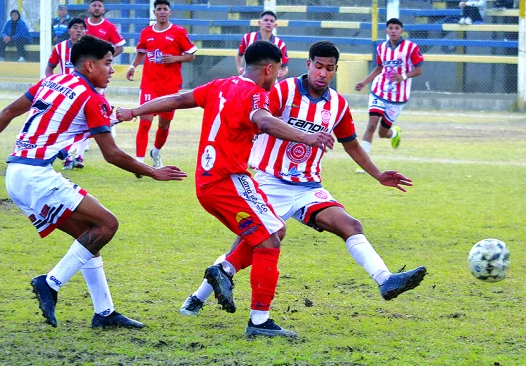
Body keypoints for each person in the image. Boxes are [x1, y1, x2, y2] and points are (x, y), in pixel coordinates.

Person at [0, 35, 187, 329]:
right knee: (107, 225)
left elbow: (10, 111)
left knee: (89, 237)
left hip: (17, 174)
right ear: (89, 65)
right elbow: (111, 154)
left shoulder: (53, 82)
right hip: (36, 176)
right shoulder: (91, 98)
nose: (112, 70)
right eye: (108, 63)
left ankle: (104, 313)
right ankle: (50, 282)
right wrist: (153, 172)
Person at [180, 41, 425, 320]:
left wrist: (379, 174)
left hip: (309, 186)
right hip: (270, 182)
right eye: (318, 66)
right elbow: (258, 117)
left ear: (334, 71)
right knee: (245, 245)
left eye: (329, 69)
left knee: (350, 224)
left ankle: (385, 279)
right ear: (308, 64)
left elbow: (352, 145)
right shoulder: (280, 91)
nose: (322, 73)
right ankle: (196, 299)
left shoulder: (337, 105)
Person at [117, 41, 335, 337]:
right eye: (278, 71)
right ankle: (259, 321)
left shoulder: (220, 85)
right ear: (269, 69)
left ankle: (224, 271)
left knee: (275, 232)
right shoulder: (256, 94)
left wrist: (134, 111)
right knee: (269, 243)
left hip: (208, 183)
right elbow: (265, 120)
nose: (279, 77)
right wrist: (306, 137)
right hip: (228, 180)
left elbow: (179, 100)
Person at [126, 0, 197, 175]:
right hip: (150, 84)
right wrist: (133, 66)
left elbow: (191, 56)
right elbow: (141, 52)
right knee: (144, 122)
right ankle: (140, 164)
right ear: (154, 12)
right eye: (159, 9)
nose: (162, 11)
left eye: (165, 9)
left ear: (170, 12)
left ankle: (155, 152)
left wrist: (175, 58)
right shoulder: (146, 33)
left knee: (164, 125)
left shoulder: (178, 32)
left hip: (170, 86)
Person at [354, 18, 423, 173]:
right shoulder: (381, 48)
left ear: (402, 31)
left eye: (396, 28)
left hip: (398, 98)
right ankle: (363, 162)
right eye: (390, 28)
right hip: (379, 91)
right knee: (371, 124)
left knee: (382, 132)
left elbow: (419, 70)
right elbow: (379, 68)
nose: (393, 30)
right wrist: (365, 82)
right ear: (386, 31)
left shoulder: (411, 48)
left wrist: (403, 77)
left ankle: (394, 133)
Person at [45, 18, 89, 170]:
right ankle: (68, 157)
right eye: (75, 27)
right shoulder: (60, 48)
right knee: (66, 126)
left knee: (85, 125)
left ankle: (79, 157)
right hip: (67, 94)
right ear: (69, 30)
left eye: (82, 28)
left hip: (85, 93)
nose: (79, 30)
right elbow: (49, 67)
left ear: (85, 31)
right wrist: (51, 83)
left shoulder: (91, 49)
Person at [235, 11, 289, 79]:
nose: (268, 23)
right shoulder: (248, 37)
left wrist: (282, 73)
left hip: (269, 82)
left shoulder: (280, 44)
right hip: (249, 79)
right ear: (259, 23)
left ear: (275, 25)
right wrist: (239, 67)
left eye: (271, 21)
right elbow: (239, 55)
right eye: (266, 20)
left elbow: (285, 68)